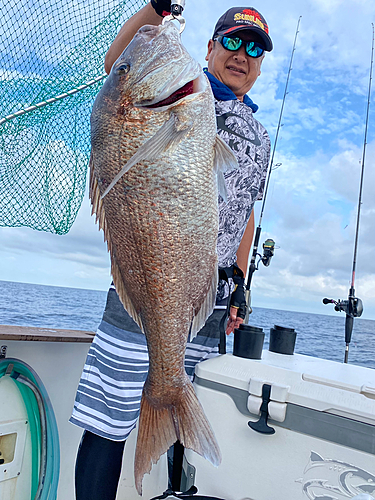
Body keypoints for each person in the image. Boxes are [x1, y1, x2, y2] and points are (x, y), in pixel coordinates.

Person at [70, 3, 272, 499]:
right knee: (108, 420)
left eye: (254, 49)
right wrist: (156, 11)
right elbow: (118, 64)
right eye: (231, 41)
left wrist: (239, 282)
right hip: (143, 285)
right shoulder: (159, 97)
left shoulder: (259, 137)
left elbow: (243, 213)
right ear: (209, 47)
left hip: (208, 298)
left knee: (183, 423)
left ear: (261, 65)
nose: (241, 55)